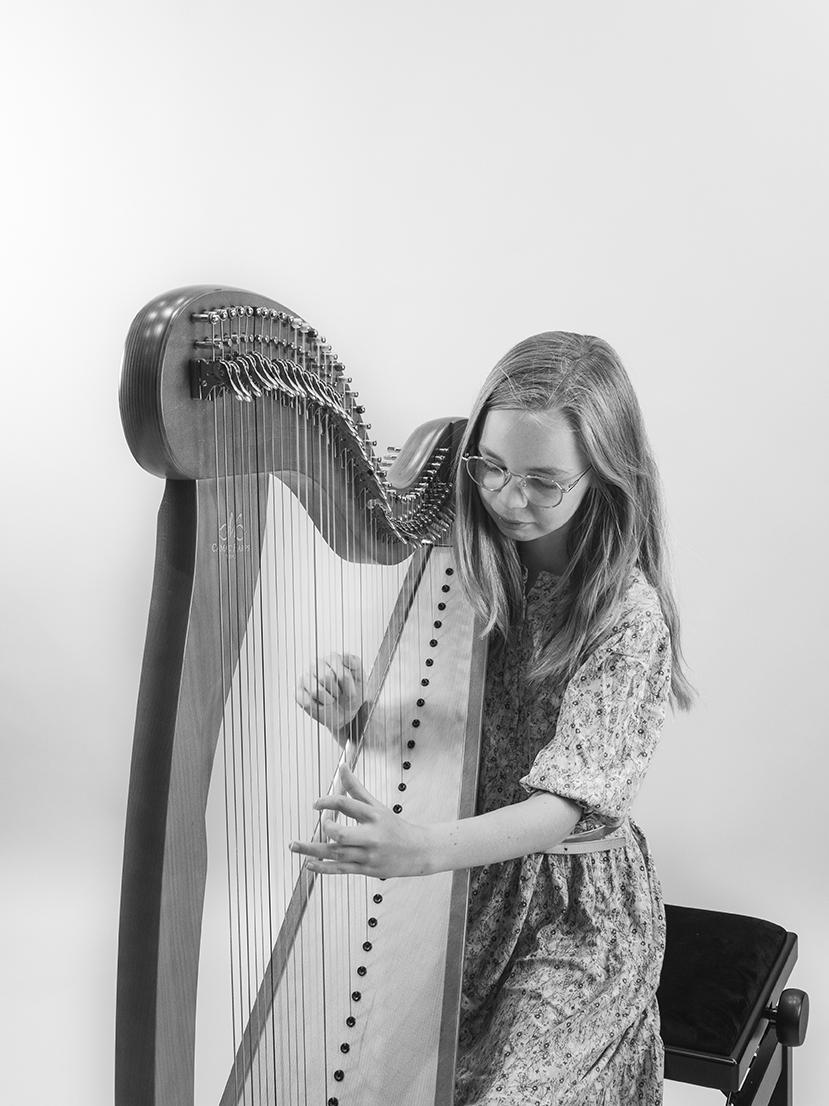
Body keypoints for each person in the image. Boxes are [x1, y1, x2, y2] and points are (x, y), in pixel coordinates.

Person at [291, 331, 693, 1105]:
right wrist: (356, 718)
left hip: (572, 916)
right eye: (492, 467)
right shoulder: (473, 569)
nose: (509, 498)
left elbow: (564, 806)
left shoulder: (625, 618)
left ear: (605, 477)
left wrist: (419, 848)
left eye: (543, 481)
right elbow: (440, 736)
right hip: (468, 886)